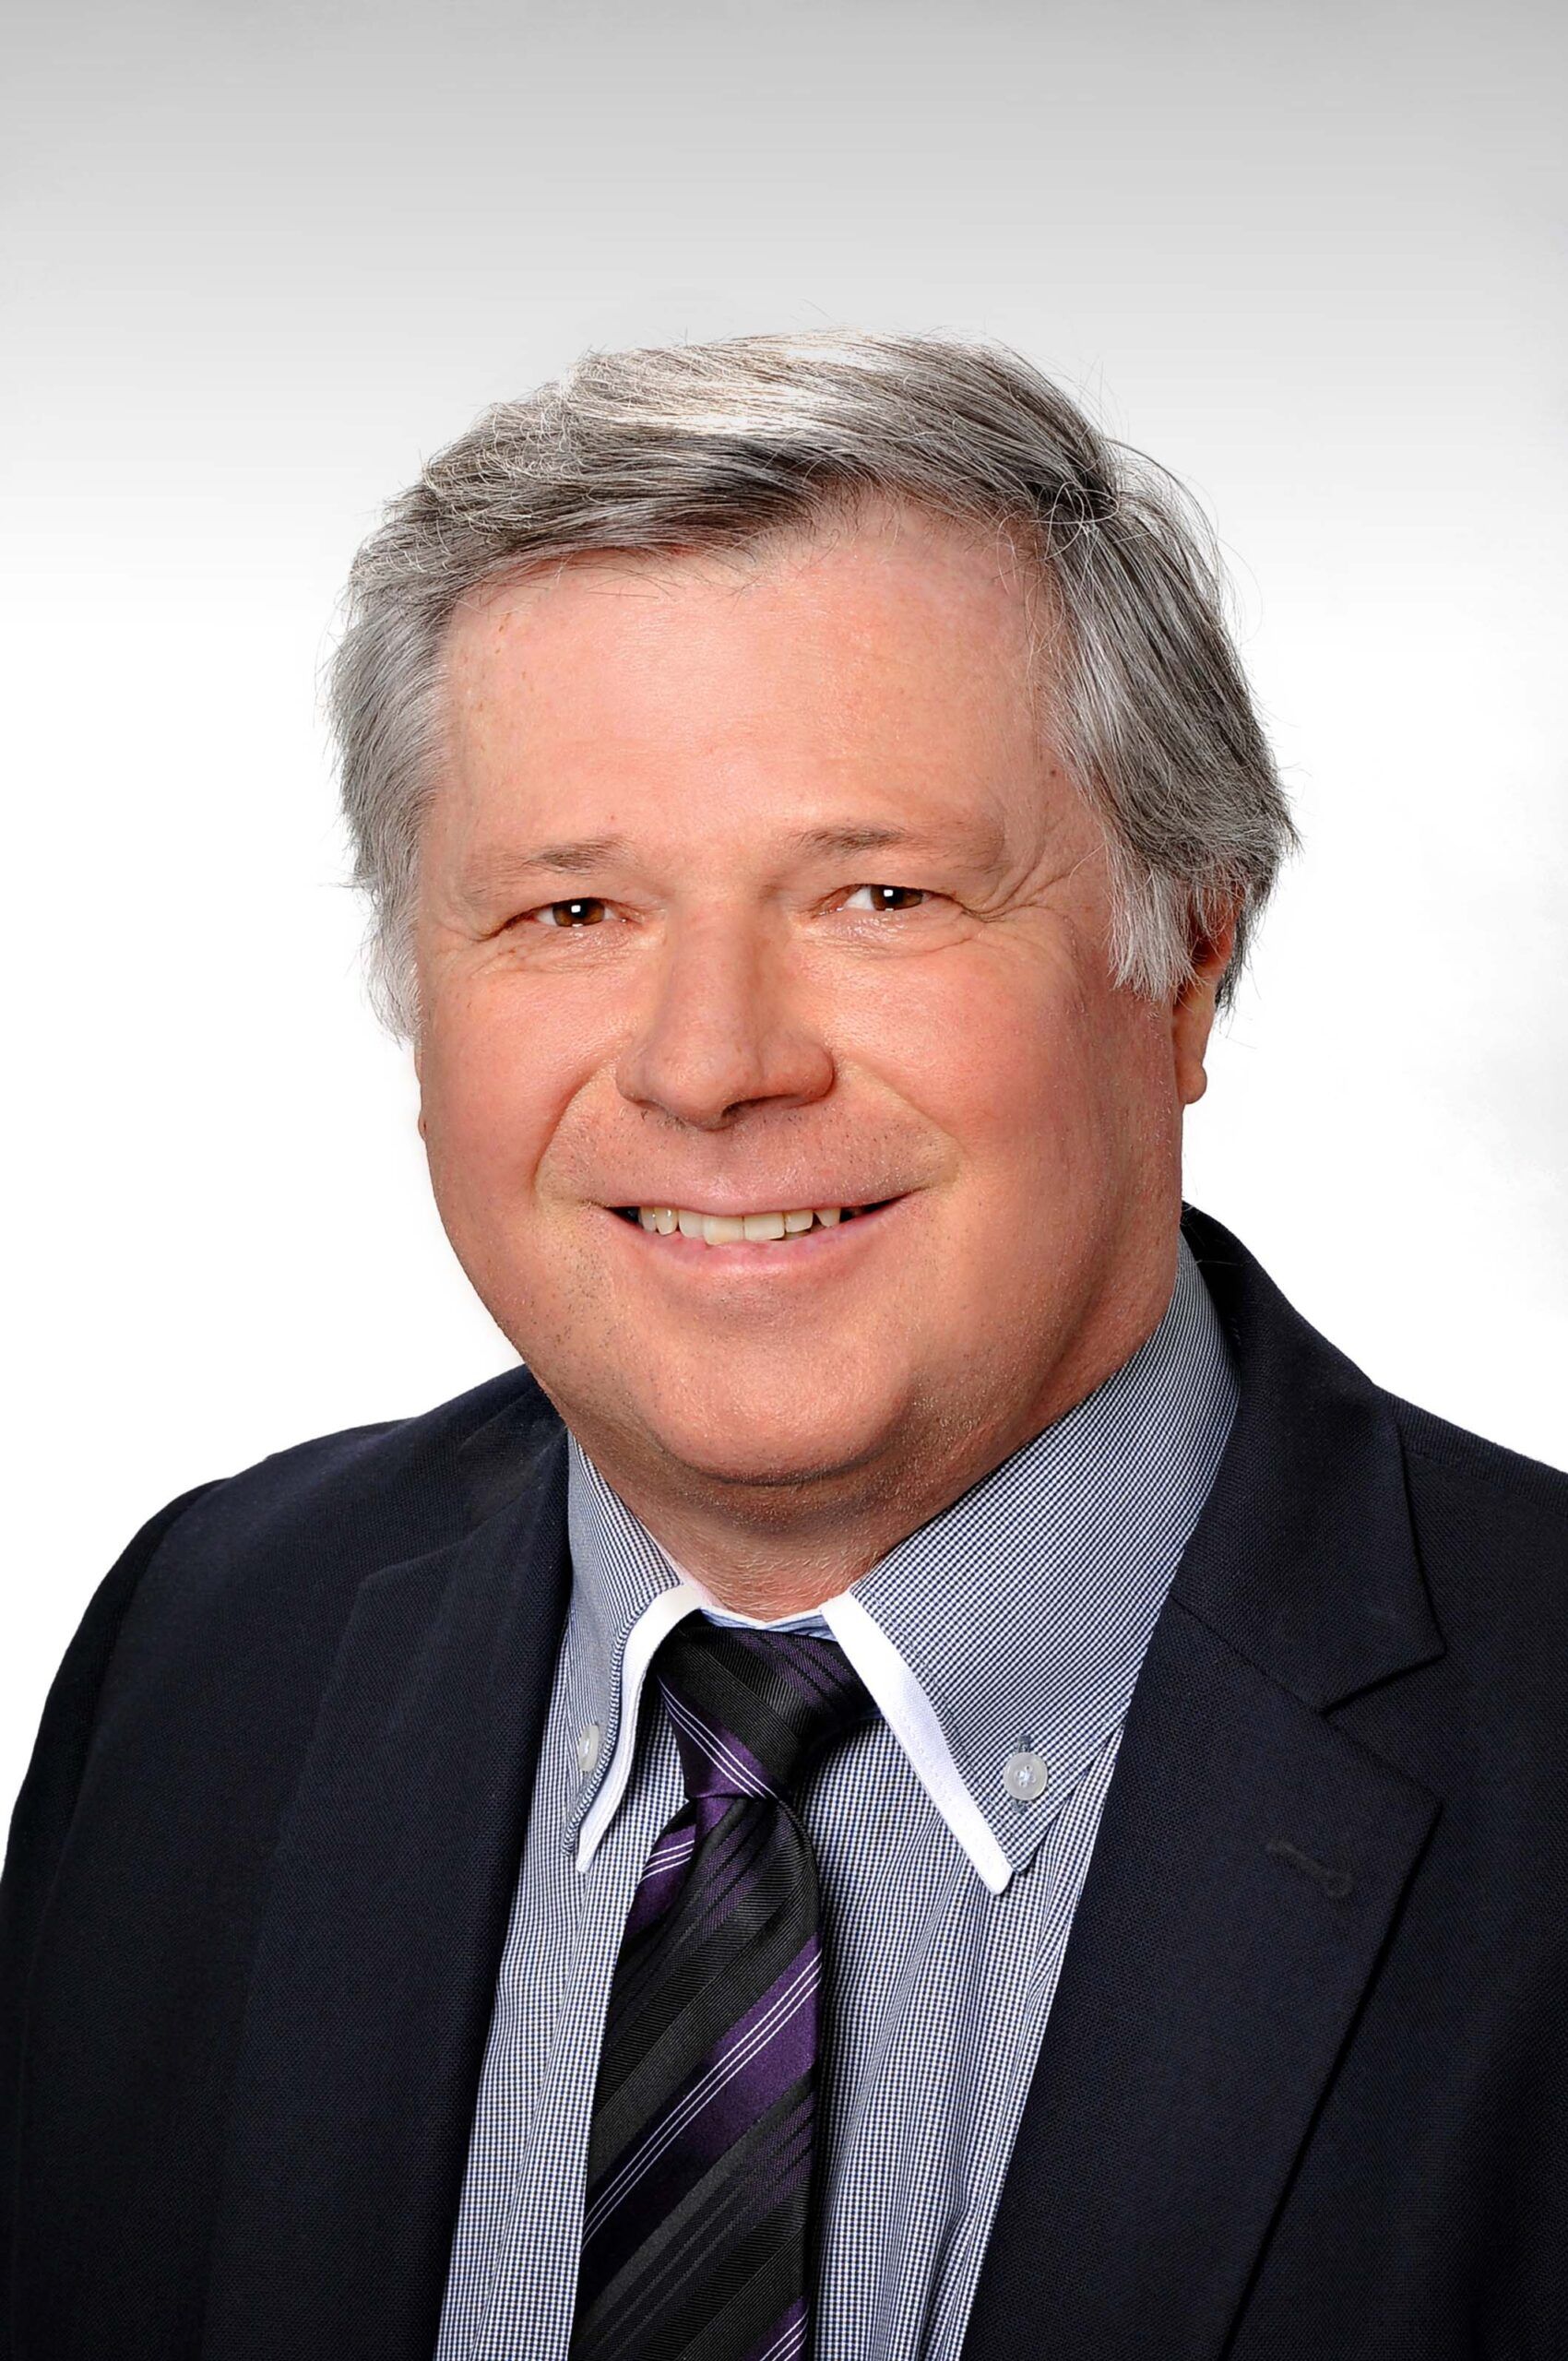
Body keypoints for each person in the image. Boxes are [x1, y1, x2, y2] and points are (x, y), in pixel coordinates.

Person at [2, 331, 1563, 2361]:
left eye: (878, 893)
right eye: (573, 914)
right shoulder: (210, 1649)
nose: (710, 1063)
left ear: (1189, 954)